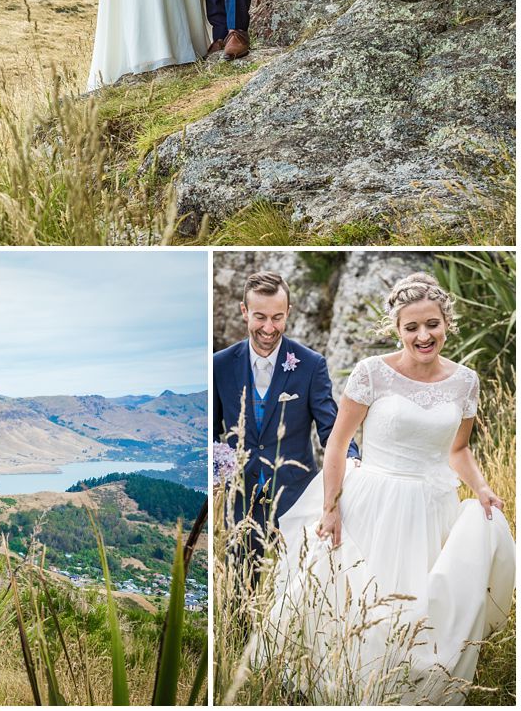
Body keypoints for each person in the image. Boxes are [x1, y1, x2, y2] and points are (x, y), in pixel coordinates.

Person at [266, 273, 515, 704]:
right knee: (365, 609)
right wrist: (331, 507)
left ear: (446, 323)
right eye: (412, 326)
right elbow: (337, 445)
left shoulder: (465, 382)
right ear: (397, 329)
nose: (424, 335)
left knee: (423, 614)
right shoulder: (371, 374)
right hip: (373, 503)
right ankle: (350, 691)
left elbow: (458, 451)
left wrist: (482, 487)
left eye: (432, 324)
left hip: (433, 507)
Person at [212, 272, 358, 555]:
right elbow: (210, 433)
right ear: (244, 312)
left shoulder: (311, 365)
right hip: (238, 502)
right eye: (260, 317)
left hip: (297, 499)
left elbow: (330, 427)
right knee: (240, 592)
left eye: (277, 317)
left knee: (293, 589)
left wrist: (352, 458)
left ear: (288, 313)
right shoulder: (220, 364)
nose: (269, 327)